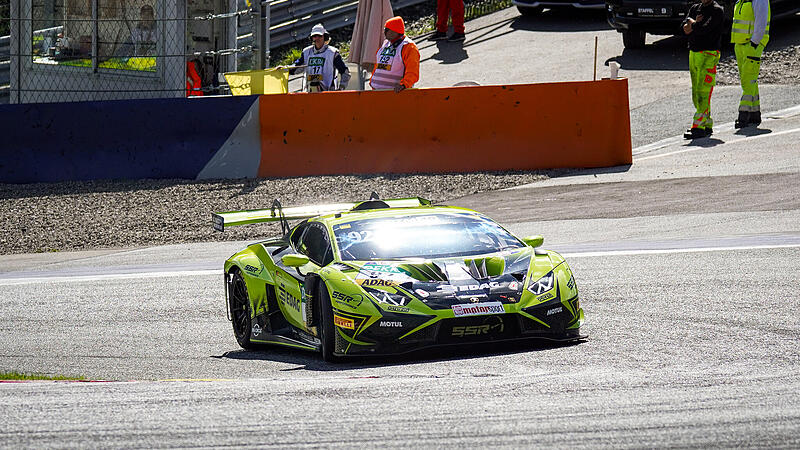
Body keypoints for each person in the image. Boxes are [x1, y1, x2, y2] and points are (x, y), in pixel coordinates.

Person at [681, 0, 724, 140]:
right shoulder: (695, 8)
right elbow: (684, 27)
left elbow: (703, 28)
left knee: (703, 91)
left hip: (709, 54)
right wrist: (694, 23)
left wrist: (693, 24)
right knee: (696, 92)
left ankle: (698, 126)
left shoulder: (717, 10)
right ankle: (706, 123)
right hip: (694, 54)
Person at [731, 0, 770, 128]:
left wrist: (755, 42)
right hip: (740, 43)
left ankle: (743, 114)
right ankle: (754, 113)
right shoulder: (741, 0)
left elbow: (761, 21)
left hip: (752, 44)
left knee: (748, 79)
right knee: (748, 79)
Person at [289, 24, 351, 92]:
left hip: (328, 93)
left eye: (319, 36)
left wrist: (341, 88)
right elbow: (295, 68)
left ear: (325, 37)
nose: (317, 38)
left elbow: (345, 72)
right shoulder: (306, 52)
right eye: (315, 36)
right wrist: (283, 69)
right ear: (312, 38)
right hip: (309, 93)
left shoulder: (333, 53)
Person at [369, 17, 420, 93]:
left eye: (386, 30)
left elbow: (413, 71)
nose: (384, 32)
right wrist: (372, 81)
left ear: (394, 31)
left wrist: (404, 85)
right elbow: (378, 66)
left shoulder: (409, 47)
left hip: (396, 93)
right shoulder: (385, 44)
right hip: (377, 92)